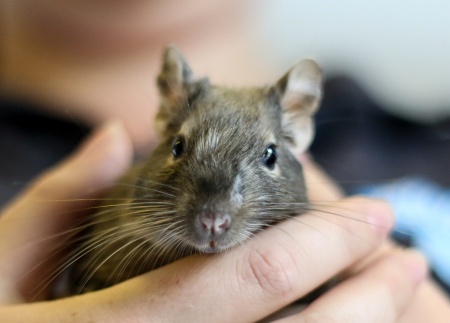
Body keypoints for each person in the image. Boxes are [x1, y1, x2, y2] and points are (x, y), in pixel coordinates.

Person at [0, 1, 449, 321]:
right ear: (168, 104)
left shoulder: (427, 149)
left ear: (298, 125)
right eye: (179, 150)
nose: (214, 217)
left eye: (268, 157)